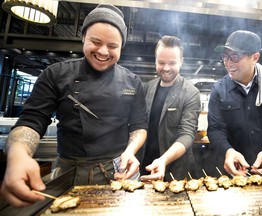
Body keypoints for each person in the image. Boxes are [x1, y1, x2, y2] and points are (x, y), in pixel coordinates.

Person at [0, 4, 148, 207]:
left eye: (113, 46)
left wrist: (130, 151)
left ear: (121, 47)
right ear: (83, 37)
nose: (103, 51)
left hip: (119, 169)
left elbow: (139, 126)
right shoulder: (55, 74)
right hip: (69, 169)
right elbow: (32, 120)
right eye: (95, 42)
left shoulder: (133, 82)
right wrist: (18, 154)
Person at [207, 30, 262, 177]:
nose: (228, 62)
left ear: (255, 57)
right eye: (225, 56)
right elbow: (215, 129)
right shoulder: (219, 89)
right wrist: (228, 151)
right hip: (233, 170)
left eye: (235, 57)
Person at [139, 35, 201, 182]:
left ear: (181, 62)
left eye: (172, 63)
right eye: (161, 62)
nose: (166, 68)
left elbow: (187, 135)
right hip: (145, 164)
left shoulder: (191, 92)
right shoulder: (147, 87)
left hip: (175, 169)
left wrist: (163, 160)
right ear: (155, 60)